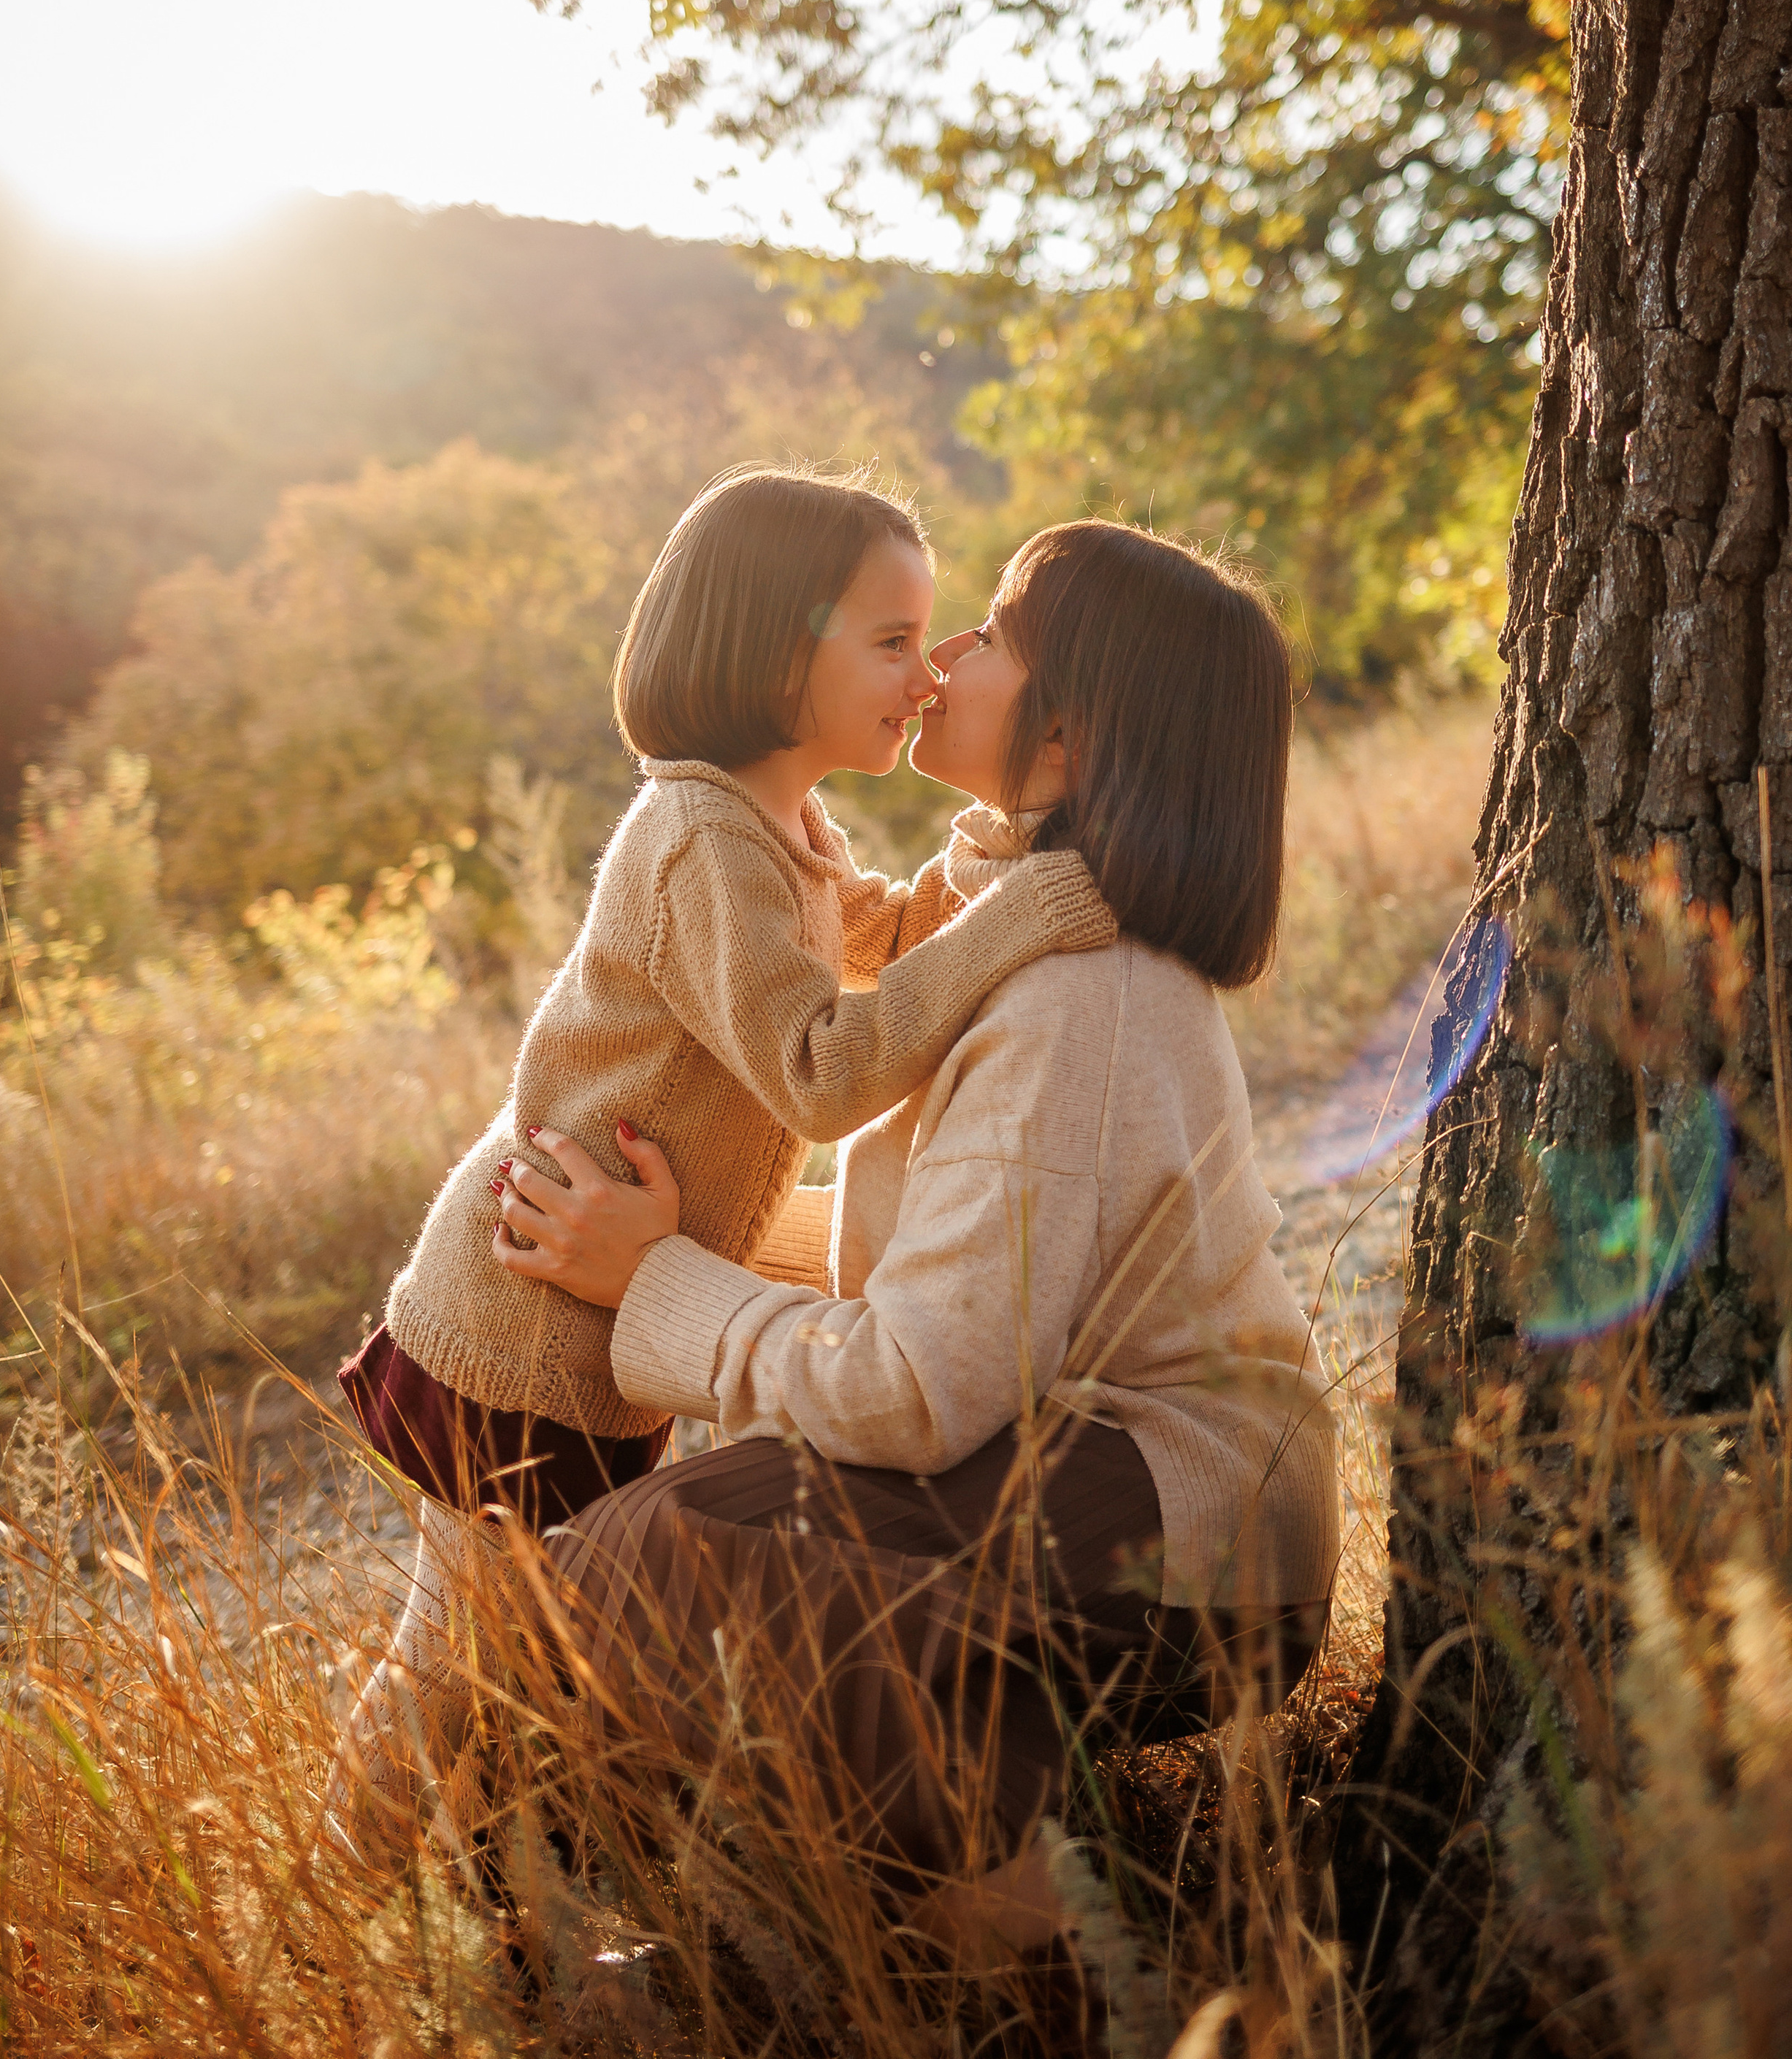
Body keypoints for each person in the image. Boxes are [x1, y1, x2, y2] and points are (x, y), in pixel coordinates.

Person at [491, 520, 1340, 1947]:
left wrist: (655, 1284)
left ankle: (1014, 1958)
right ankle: (809, 1922)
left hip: (1184, 1525)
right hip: (1096, 1476)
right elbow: (956, 1263)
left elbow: (918, 1389)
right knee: (731, 1553)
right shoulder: (1030, 932)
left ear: (1066, 734)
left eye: (989, 636)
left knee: (687, 1545)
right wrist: (666, 1235)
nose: (944, 658)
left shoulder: (1078, 990)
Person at [327, 468, 1117, 1863]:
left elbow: (868, 933)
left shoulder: (787, 829)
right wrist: (1009, 933)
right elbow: (819, 1067)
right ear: (770, 655)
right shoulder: (698, 836)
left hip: (591, 1311)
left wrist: (990, 858)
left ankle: (483, 1894)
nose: (928, 674)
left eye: (933, 639)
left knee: (534, 1651)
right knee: (461, 1657)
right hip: (522, 1323)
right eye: (890, 641)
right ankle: (342, 1889)